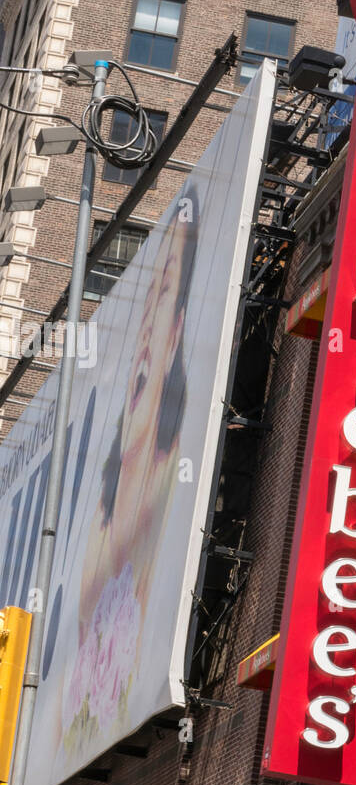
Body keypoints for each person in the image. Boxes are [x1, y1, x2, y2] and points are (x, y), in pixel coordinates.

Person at [63, 187, 199, 748]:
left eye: (162, 295)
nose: (143, 332)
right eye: (144, 307)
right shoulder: (91, 521)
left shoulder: (176, 498)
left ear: (176, 335)